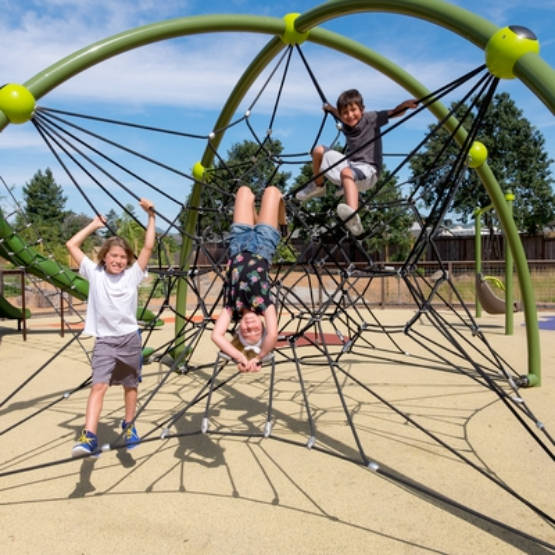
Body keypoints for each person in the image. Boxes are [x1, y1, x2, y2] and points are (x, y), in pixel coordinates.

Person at [66, 198, 156, 457]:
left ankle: (129, 425)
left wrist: (151, 217)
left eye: (122, 256)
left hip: (129, 339)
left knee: (131, 385)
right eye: (112, 255)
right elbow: (71, 244)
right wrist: (93, 225)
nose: (117, 260)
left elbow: (149, 245)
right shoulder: (94, 273)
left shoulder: (133, 275)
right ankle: (89, 435)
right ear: (104, 257)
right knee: (99, 385)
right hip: (105, 340)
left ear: (128, 259)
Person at [296, 89, 418, 236]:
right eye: (345, 113)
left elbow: (393, 113)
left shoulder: (371, 118)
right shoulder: (345, 121)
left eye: (353, 110)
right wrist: (329, 108)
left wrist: (404, 106)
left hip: (369, 171)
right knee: (318, 151)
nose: (350, 115)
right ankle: (318, 186)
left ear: (362, 109)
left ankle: (353, 216)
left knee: (346, 172)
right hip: (351, 166)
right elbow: (336, 113)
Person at [211, 185, 285, 372]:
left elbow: (217, 336)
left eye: (245, 332)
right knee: (271, 191)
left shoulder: (231, 309)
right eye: (255, 331)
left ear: (238, 330)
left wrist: (238, 355)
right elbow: (273, 335)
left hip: (238, 242)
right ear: (262, 327)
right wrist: (259, 357)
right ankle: (282, 225)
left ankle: (262, 218)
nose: (249, 327)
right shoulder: (264, 305)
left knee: (244, 192)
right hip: (263, 244)